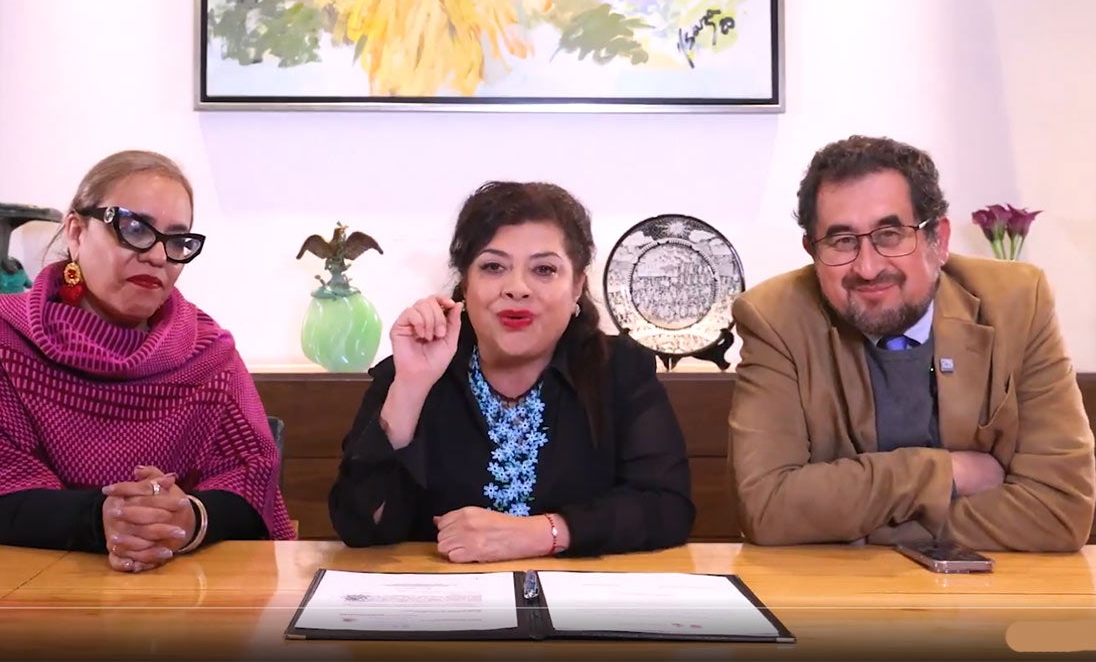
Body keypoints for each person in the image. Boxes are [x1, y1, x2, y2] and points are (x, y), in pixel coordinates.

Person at [0, 150, 295, 571]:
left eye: (178, 240)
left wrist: (188, 518)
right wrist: (98, 519)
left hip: (174, 593)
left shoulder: (209, 356)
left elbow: (252, 485)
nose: (159, 256)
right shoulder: (0, 339)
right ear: (76, 232)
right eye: (134, 228)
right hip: (18, 589)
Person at [729, 135, 1095, 551]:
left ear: (939, 241)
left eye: (890, 235)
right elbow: (767, 507)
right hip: (836, 588)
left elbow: (1060, 510)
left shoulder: (1018, 302)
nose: (868, 268)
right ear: (812, 252)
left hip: (995, 588)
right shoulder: (774, 318)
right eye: (842, 241)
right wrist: (943, 473)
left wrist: (872, 533)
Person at [329, 181, 694, 562]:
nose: (517, 288)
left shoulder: (619, 369)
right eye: (493, 267)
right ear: (465, 284)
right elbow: (360, 527)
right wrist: (410, 389)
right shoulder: (414, 368)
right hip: (444, 593)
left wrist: (543, 533)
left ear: (577, 287)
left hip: (579, 595)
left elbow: (666, 507)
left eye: (544, 269)